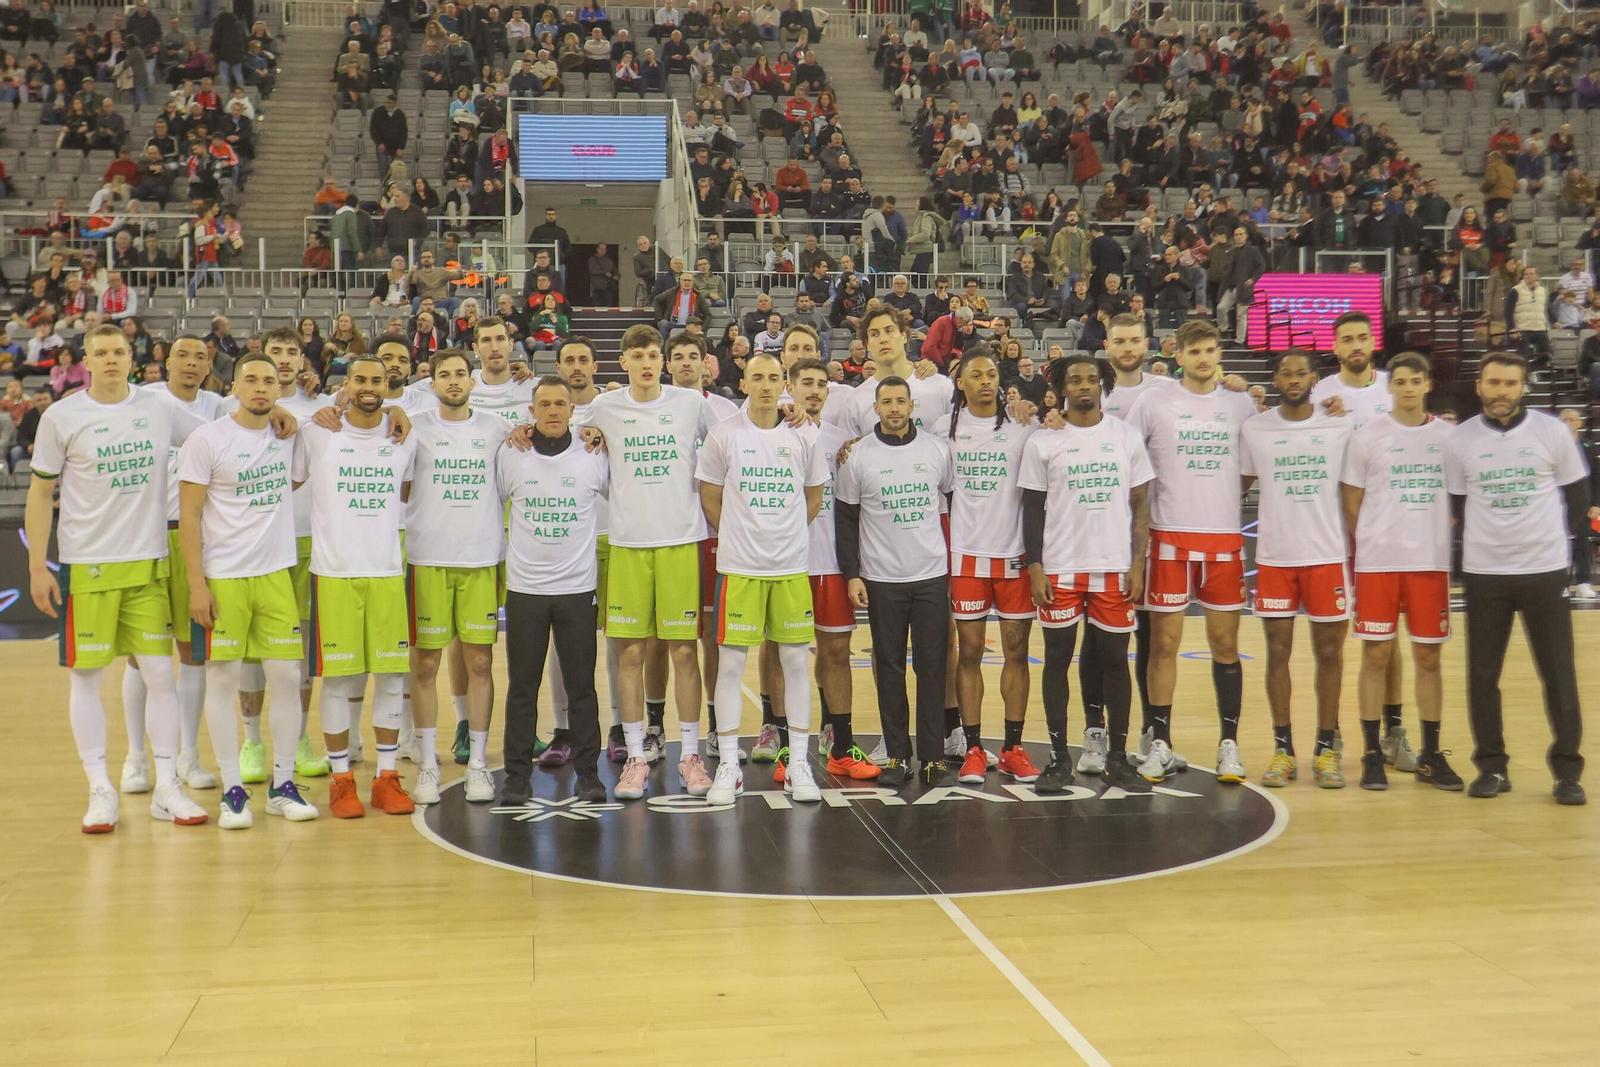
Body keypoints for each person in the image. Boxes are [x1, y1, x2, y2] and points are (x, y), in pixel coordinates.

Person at [25, 325, 210, 831]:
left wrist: (278, 414)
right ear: (86, 359)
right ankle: (99, 788)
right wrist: (38, 566)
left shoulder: (158, 407)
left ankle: (167, 785)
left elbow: (219, 434)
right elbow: (41, 494)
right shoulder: (62, 416)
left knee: (159, 675)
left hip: (149, 566)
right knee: (86, 678)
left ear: (133, 357)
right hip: (88, 568)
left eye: (119, 351)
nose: (110, 359)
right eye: (100, 352)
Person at [576, 324, 718, 800]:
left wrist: (788, 410)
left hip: (680, 542)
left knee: (683, 652)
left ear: (661, 360)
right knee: (631, 653)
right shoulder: (604, 407)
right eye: (637, 355)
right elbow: (559, 424)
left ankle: (691, 756)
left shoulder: (691, 403)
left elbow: (736, 433)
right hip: (629, 545)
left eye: (653, 354)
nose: (646, 363)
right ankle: (636, 755)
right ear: (624, 362)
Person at [177, 352, 319, 828]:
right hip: (223, 579)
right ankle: (232, 789)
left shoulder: (289, 435)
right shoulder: (207, 439)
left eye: (269, 381)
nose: (261, 387)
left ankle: (282, 785)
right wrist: (198, 585)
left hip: (276, 575)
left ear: (280, 389)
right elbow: (189, 518)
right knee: (222, 681)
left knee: (286, 681)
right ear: (233, 387)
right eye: (251, 380)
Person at [1445, 352, 1588, 805]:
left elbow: (1578, 494)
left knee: (1559, 674)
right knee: (1483, 675)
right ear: (1479, 386)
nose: (1501, 391)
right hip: (1485, 572)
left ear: (1523, 387)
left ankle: (1568, 772)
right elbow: (1457, 504)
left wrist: (1561, 547)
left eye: (1510, 383)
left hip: (1544, 570)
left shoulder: (1552, 432)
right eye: (1493, 382)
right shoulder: (1460, 439)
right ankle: (1492, 767)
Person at [1124, 320, 1256, 784]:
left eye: (1211, 350)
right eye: (1195, 351)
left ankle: (1229, 745)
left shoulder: (1241, 402)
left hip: (1222, 538)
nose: (1204, 358)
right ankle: (1159, 740)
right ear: (1176, 355)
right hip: (1168, 536)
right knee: (1163, 644)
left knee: (1225, 645)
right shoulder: (1154, 400)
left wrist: (1221, 496)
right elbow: (1124, 452)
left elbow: (1251, 465)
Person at [292, 353, 420, 819]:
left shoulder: (403, 436)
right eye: (361, 379)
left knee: (389, 676)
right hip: (334, 573)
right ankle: (342, 780)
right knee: (339, 679)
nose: (370, 386)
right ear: (346, 384)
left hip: (387, 571)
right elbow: (282, 442)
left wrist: (396, 413)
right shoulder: (317, 432)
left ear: (389, 385)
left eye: (378, 380)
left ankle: (387, 778)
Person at [1022, 351, 1154, 794]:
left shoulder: (1126, 437)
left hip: (1114, 565)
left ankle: (1118, 757)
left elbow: (1141, 507)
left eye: (1091, 379)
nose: (1083, 386)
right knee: (1056, 660)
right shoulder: (1043, 441)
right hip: (1060, 566)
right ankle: (1059, 760)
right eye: (1074, 379)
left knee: (1116, 661)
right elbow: (1032, 510)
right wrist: (1035, 567)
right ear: (1061, 388)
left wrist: (1138, 562)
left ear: (1103, 385)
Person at [698, 351, 828, 803]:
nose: (768, 385)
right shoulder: (724, 434)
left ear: (785, 384)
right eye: (759, 377)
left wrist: (785, 533)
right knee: (731, 665)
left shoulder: (805, 434)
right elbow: (709, 497)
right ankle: (729, 766)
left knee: (795, 664)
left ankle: (797, 765)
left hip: (790, 567)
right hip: (739, 568)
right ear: (745, 383)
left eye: (775, 378)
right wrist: (742, 534)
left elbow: (814, 495)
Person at [1340, 351, 1463, 791]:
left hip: (1429, 564)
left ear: (1427, 384)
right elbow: (1351, 502)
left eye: (1416, 381)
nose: (1408, 388)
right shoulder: (1367, 437)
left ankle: (1431, 754)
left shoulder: (1451, 438)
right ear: (1389, 387)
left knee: (1428, 657)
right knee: (1375, 655)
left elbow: (1461, 496)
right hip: (1379, 564)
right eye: (1401, 382)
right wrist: (1375, 540)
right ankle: (1373, 751)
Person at [221, 328, 333, 783]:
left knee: (297, 654)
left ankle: (299, 738)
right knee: (251, 651)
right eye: (275, 353)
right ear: (259, 360)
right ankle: (252, 741)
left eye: (291, 352)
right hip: (254, 546)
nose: (284, 361)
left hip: (309, 540)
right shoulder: (241, 409)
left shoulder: (319, 408)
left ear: (303, 359)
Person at [1241, 350, 1356, 788]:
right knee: (1277, 653)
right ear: (1275, 378)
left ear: (1314, 379)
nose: (1293, 379)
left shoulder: (1340, 424)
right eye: (1285, 373)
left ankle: (1326, 748)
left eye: (1301, 372)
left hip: (1327, 555)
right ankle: (1283, 749)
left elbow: (1357, 485)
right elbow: (1238, 482)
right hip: (1274, 557)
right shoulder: (1255, 427)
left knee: (1330, 654)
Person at [403, 348, 512, 805]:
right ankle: (427, 763)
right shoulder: (414, 429)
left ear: (472, 381)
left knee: (481, 663)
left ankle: (480, 763)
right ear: (432, 383)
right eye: (444, 374)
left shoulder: (497, 430)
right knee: (425, 663)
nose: (452, 381)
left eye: (460, 374)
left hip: (481, 559)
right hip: (427, 559)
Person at [835, 373, 956, 786]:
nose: (893, 409)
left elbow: (949, 504)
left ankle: (934, 757)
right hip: (881, 579)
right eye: (886, 402)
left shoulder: (937, 450)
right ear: (876, 408)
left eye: (900, 401)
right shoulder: (857, 457)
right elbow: (846, 521)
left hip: (929, 576)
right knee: (889, 669)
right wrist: (852, 575)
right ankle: (899, 757)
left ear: (911, 406)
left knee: (932, 668)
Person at [498, 374, 611, 804]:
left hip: (577, 590)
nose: (551, 411)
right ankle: (515, 778)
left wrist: (598, 432)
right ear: (531, 411)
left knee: (582, 687)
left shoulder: (592, 454)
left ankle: (589, 775)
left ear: (571, 410)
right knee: (521, 687)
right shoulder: (511, 454)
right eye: (543, 404)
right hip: (525, 591)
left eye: (559, 404)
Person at [939, 346, 1041, 785]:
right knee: (970, 654)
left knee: (1017, 653)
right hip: (965, 556)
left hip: (1015, 557)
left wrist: (1044, 415)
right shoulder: (945, 430)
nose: (985, 380)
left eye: (991, 374)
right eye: (974, 374)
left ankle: (1014, 747)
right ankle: (975, 748)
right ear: (959, 382)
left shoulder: (1023, 425)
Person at [785, 354, 879, 780]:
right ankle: (789, 748)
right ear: (790, 385)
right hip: (786, 562)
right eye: (806, 382)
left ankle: (841, 743)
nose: (814, 390)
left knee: (836, 652)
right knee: (783, 655)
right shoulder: (773, 432)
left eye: (821, 384)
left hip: (832, 563)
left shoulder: (846, 443)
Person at [1558, 407, 1599, 599]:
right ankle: (1560, 583)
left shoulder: (1589, 447)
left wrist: (1595, 503)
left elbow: (1597, 478)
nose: (1567, 423)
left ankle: (1583, 582)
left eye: (1571, 420)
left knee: (1582, 542)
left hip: (1582, 503)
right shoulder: (1553, 446)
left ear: (1579, 423)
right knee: (1559, 544)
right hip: (1557, 503)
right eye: (1564, 420)